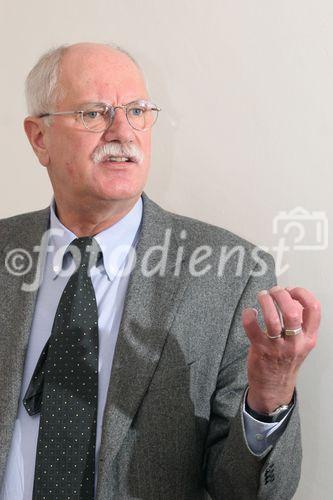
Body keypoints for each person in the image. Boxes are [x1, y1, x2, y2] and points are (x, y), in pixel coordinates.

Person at [0, 42, 321, 500]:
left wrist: (269, 397)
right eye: (94, 113)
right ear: (39, 138)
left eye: (137, 111)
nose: (122, 131)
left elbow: (248, 492)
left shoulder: (233, 275)